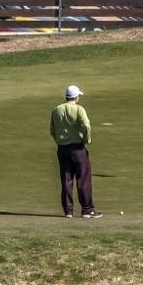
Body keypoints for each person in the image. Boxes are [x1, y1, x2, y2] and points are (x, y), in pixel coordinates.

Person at [50, 85, 101, 219]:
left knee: (66, 179)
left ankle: (68, 211)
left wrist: (59, 141)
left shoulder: (56, 110)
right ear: (76, 97)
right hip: (77, 149)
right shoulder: (79, 109)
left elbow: (52, 130)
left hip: (62, 149)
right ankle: (87, 210)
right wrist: (86, 139)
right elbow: (86, 125)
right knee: (83, 178)